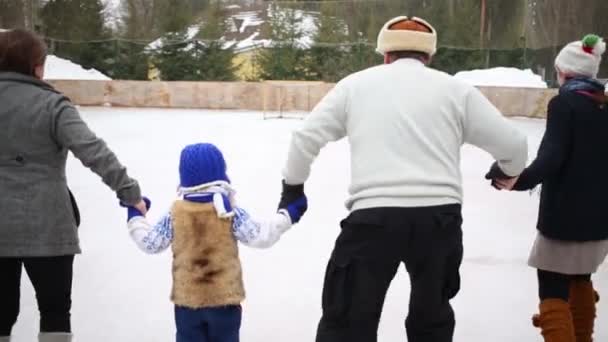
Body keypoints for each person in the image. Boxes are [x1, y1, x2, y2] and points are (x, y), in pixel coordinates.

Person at [277, 16, 528, 342]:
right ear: (429, 56)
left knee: (347, 322)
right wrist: (507, 170)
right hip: (439, 220)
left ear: (385, 54)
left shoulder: (355, 86)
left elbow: (304, 138)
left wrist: (292, 188)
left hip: (373, 218)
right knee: (431, 321)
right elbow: (515, 145)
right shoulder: (455, 90)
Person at [0, 29, 147, 342]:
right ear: (36, 67)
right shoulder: (53, 105)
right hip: (48, 223)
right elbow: (93, 151)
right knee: (54, 312)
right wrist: (130, 193)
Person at [487, 34, 607, 342]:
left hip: (566, 219)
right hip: (599, 219)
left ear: (564, 72)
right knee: (581, 279)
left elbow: (551, 157)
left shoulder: (564, 103)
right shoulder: (602, 105)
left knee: (553, 290)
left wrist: (516, 180)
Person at [124, 143, 307, 342]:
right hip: (224, 303)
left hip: (187, 305)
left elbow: (150, 243)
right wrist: (288, 214)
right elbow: (261, 236)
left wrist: (135, 216)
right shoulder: (230, 211)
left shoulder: (175, 213)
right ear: (220, 173)